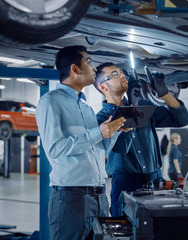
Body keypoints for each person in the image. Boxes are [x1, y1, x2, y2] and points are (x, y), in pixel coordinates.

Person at [35, 46, 126, 240]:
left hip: (100, 196)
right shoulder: (50, 102)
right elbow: (55, 148)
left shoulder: (85, 108)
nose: (94, 69)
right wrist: (97, 133)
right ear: (75, 69)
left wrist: (114, 132)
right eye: (89, 63)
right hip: (71, 198)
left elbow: (99, 148)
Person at [94, 62, 188, 217]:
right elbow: (121, 147)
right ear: (102, 87)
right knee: (126, 230)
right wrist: (132, 108)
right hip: (126, 183)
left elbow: (182, 120)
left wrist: (165, 93)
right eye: (114, 75)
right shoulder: (102, 119)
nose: (121, 76)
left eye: (120, 72)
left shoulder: (143, 106)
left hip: (155, 180)